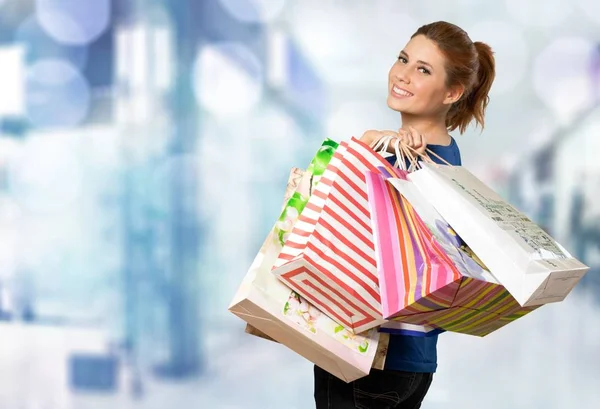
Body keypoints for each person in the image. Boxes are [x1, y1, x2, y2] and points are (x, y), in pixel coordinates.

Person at [313, 21, 496, 408]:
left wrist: (368, 144)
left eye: (423, 70)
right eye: (404, 59)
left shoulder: (408, 160)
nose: (403, 74)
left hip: (369, 353)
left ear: (453, 92)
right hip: (413, 360)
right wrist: (375, 142)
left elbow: (330, 206)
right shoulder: (448, 153)